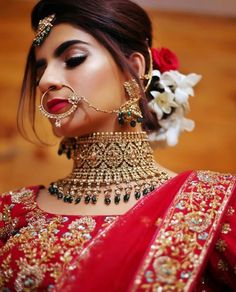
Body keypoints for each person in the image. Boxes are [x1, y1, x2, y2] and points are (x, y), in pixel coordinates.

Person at [0, 0, 235, 291]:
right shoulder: (11, 212)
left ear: (133, 71)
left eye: (73, 59)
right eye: (40, 70)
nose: (45, 81)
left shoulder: (217, 205)